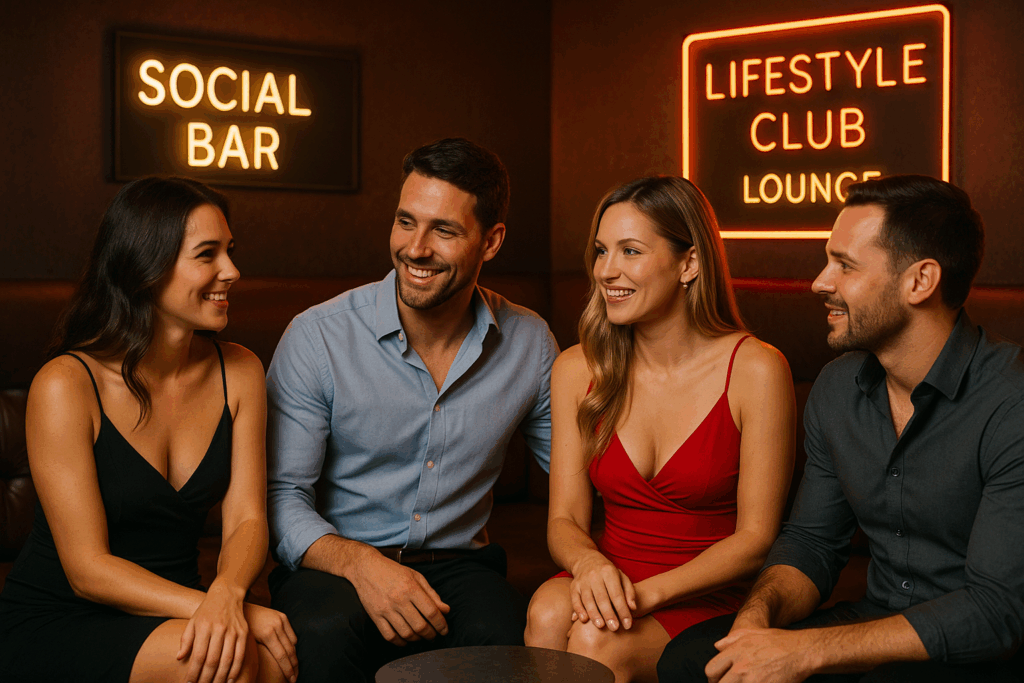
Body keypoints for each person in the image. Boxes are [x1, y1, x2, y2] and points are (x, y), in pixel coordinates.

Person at [657, 174, 1024, 682]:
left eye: (844, 265)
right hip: (874, 623)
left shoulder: (1011, 401)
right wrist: (755, 623)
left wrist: (807, 652)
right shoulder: (837, 388)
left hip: (978, 650)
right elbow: (811, 542)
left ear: (921, 281)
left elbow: (996, 610)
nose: (819, 282)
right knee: (695, 661)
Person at [265, 137, 558, 683]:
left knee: (509, 644)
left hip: (462, 564)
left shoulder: (530, 342)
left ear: (491, 242)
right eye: (406, 222)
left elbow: (576, 475)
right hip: (336, 561)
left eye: (444, 230)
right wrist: (362, 565)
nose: (415, 249)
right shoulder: (317, 336)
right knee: (326, 634)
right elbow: (282, 497)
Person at [0, 177, 297, 683]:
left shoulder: (241, 370)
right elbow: (87, 569)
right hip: (63, 618)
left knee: (268, 659)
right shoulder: (66, 384)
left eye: (230, 251)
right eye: (208, 255)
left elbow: (247, 520)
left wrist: (227, 595)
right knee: (244, 664)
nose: (232, 271)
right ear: (145, 268)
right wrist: (223, 609)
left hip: (180, 609)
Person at [523, 175, 795, 682]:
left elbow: (756, 539)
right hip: (610, 573)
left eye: (630, 251)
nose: (607, 270)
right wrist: (590, 567)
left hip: (706, 590)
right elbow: (563, 518)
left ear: (689, 263)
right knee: (547, 611)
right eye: (602, 251)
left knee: (593, 639)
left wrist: (642, 595)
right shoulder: (576, 369)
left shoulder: (757, 368)